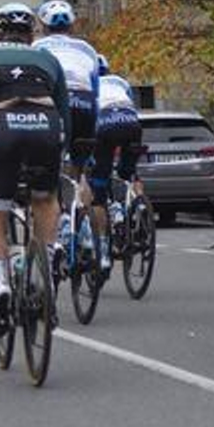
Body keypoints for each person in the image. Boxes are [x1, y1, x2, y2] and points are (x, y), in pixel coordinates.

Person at [0, 2, 70, 336]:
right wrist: (60, 159)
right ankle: (48, 274)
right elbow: (66, 116)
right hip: (47, 127)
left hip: (4, 127)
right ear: (32, 33)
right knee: (45, 200)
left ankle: (0, 285)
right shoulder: (48, 59)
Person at [33, 0, 102, 166]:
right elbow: (96, 90)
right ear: (71, 26)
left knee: (43, 157)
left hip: (52, 101)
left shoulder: (36, 46)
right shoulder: (87, 48)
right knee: (83, 155)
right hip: (84, 102)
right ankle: (82, 172)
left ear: (43, 26)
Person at [90, 56, 143, 271]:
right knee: (128, 172)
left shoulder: (90, 83)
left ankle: (104, 247)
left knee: (99, 184)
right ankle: (137, 204)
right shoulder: (120, 81)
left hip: (104, 123)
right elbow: (130, 103)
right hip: (131, 122)